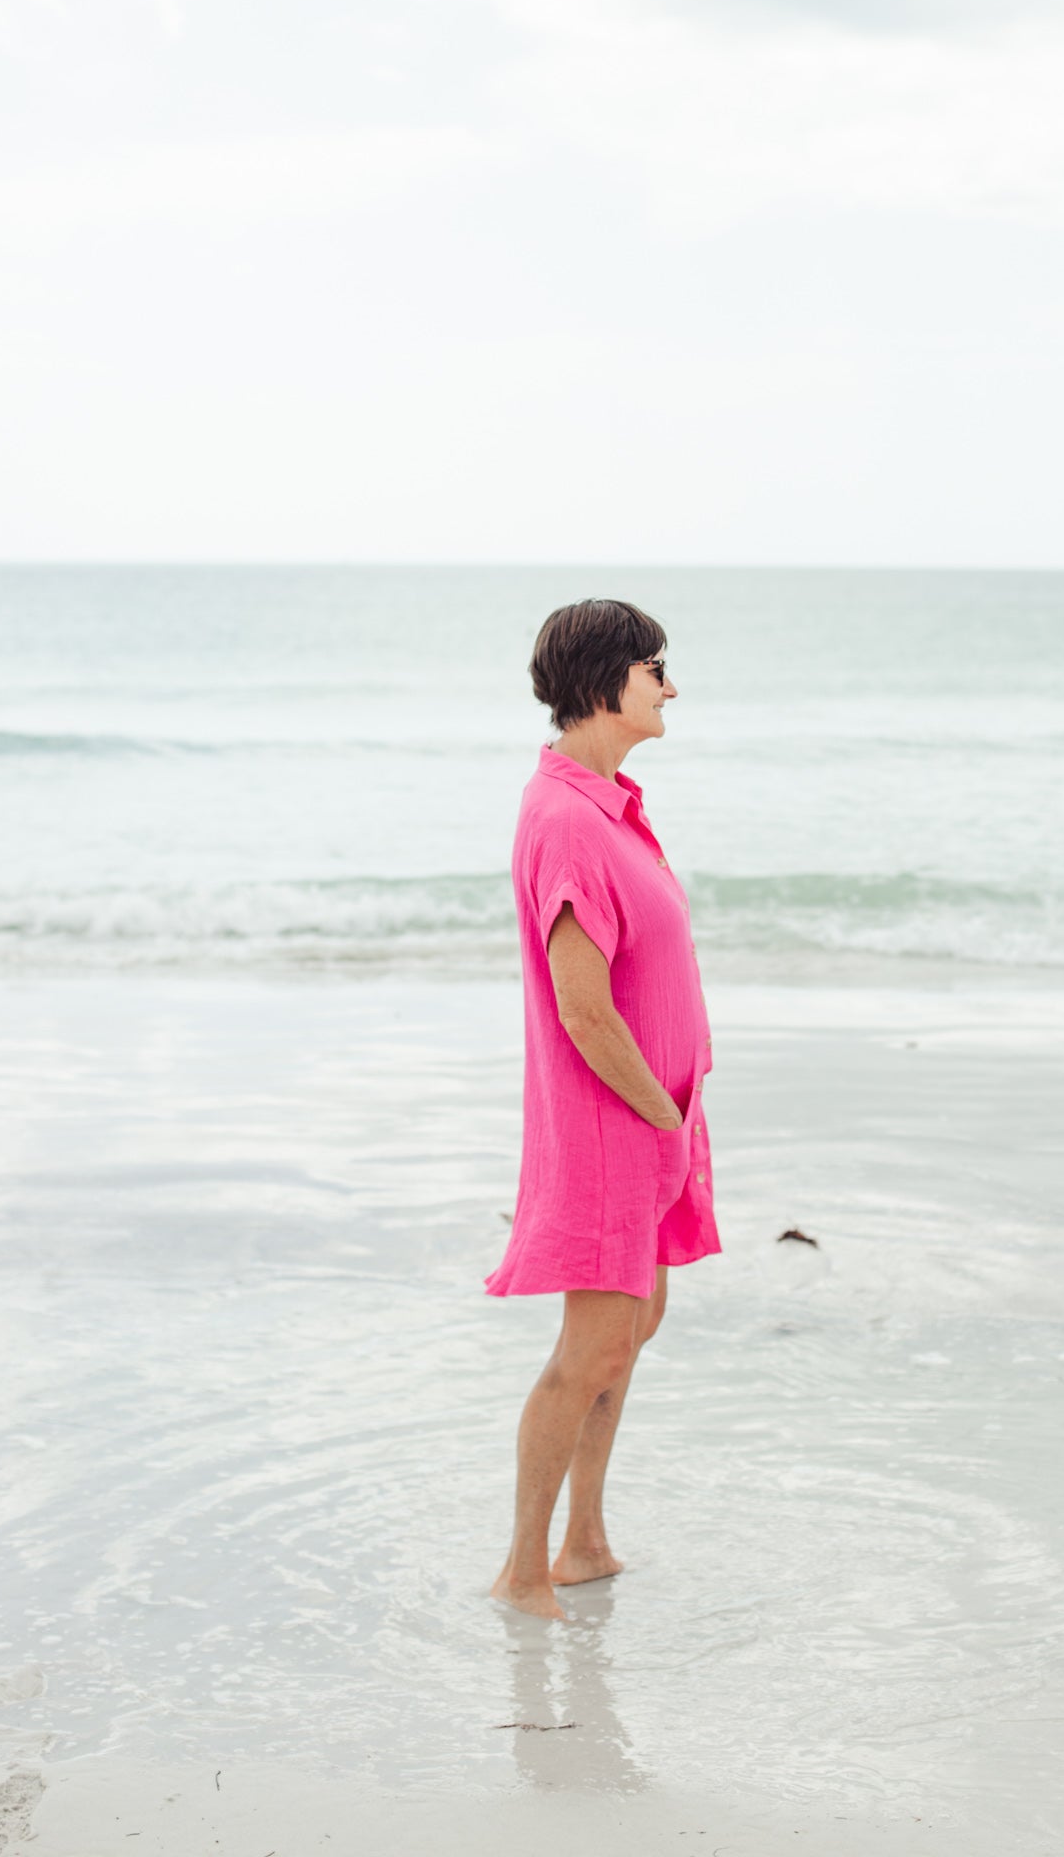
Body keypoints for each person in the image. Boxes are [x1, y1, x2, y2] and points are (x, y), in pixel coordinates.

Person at [487, 597, 721, 1619]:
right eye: (654, 666)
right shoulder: (566, 818)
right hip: (616, 1121)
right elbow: (583, 1007)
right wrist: (658, 1120)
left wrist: (678, 1111)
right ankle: (523, 1567)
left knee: (632, 1329)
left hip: (660, 1112)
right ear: (602, 679)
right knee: (590, 1344)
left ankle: (584, 1538)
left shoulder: (612, 803)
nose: (669, 684)